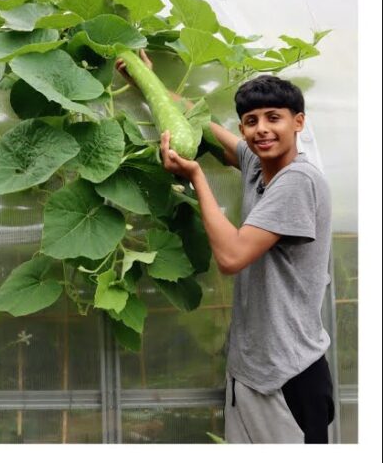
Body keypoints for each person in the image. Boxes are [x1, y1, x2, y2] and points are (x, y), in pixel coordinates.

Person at [121, 51, 333, 443]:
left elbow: (232, 256)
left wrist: (197, 176)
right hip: (252, 370)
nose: (261, 129)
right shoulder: (259, 165)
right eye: (251, 121)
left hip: (286, 375)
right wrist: (144, 80)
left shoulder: (298, 182)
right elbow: (204, 125)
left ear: (298, 122)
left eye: (274, 117)